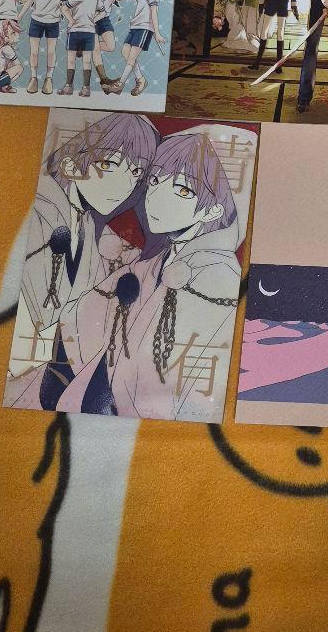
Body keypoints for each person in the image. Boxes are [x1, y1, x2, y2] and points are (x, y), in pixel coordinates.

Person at [55, 129, 244, 421]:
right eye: (155, 181)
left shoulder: (217, 276)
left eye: (182, 191)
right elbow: (80, 315)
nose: (157, 198)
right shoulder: (156, 261)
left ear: (212, 211)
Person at [4, 113, 158, 411]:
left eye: (135, 171)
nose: (124, 184)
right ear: (71, 164)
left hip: (34, 376)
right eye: (108, 165)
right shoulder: (37, 211)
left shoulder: (84, 222)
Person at [106, 0, 170, 97]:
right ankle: (141, 80)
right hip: (135, 25)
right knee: (125, 52)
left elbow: (154, 11)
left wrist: (156, 32)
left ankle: (120, 84)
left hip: (144, 27)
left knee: (131, 57)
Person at [59, 0, 108, 97]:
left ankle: (70, 87)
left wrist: (72, 21)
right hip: (86, 31)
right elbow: (103, 12)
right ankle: (85, 88)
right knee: (84, 60)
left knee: (73, 60)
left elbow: (64, 8)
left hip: (77, 31)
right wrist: (91, 20)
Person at [27, 0, 68, 94]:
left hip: (53, 22)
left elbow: (64, 5)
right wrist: (19, 16)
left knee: (51, 52)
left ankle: (49, 78)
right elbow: (29, 1)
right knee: (34, 52)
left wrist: (71, 20)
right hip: (36, 20)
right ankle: (33, 78)